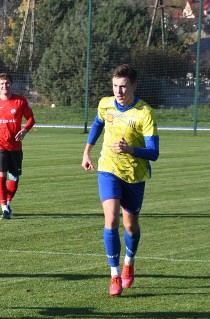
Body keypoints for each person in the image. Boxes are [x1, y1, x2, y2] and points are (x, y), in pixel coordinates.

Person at [81, 64, 159, 296]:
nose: (119, 91)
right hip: (108, 169)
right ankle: (114, 275)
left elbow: (154, 152)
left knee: (130, 225)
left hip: (134, 175)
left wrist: (131, 149)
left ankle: (129, 262)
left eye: (123, 86)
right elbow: (98, 124)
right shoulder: (105, 104)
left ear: (133, 86)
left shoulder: (145, 113)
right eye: (115, 86)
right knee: (111, 218)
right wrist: (87, 151)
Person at [0, 73, 35, 220]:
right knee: (0, 177)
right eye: (2, 84)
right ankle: (4, 208)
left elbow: (31, 119)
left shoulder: (20, 101)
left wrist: (25, 130)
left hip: (16, 147)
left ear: (11, 84)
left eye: (7, 83)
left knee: (14, 179)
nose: (5, 86)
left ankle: (8, 203)